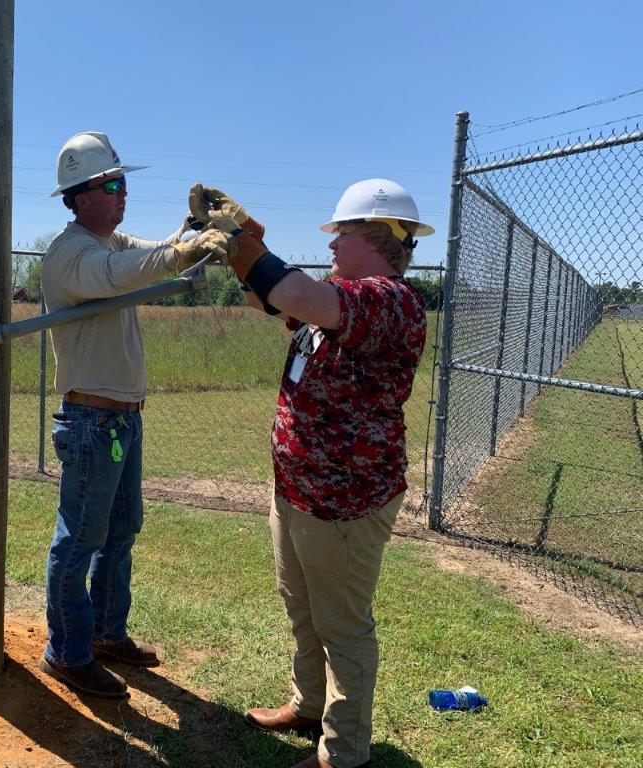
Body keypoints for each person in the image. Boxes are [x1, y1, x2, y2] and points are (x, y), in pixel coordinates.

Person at [192, 179, 433, 768]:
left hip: (345, 501)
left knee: (343, 627)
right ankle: (308, 705)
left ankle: (343, 752)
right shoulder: (336, 296)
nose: (330, 245)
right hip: (299, 487)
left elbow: (295, 291)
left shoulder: (391, 301)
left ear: (377, 237)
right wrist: (242, 246)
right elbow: (275, 299)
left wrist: (247, 245)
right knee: (302, 607)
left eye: (340, 234)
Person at [38, 132, 230, 700]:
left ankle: (103, 634)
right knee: (79, 540)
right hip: (92, 420)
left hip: (120, 419)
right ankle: (67, 652)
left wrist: (191, 229)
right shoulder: (70, 255)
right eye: (114, 183)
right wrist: (183, 252)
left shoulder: (112, 240)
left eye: (124, 182)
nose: (124, 192)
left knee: (119, 533)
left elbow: (149, 253)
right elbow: (122, 274)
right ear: (81, 194)